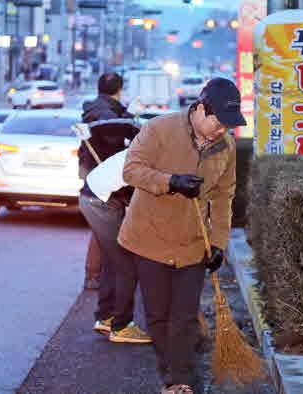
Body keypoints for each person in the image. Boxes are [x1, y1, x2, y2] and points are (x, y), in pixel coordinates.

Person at [118, 78, 246, 394]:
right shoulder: (159, 129)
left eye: (229, 126)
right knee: (158, 316)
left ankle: (181, 382)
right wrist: (170, 181)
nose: (223, 131)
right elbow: (131, 170)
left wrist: (218, 244)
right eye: (219, 123)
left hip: (192, 243)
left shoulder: (225, 146)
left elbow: (223, 197)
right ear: (201, 109)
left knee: (185, 318)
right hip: (148, 238)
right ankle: (170, 373)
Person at [78, 72, 151, 344]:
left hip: (97, 190)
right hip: (101, 199)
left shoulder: (120, 123)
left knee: (114, 259)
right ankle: (121, 325)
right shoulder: (136, 137)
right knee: (126, 264)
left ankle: (106, 317)